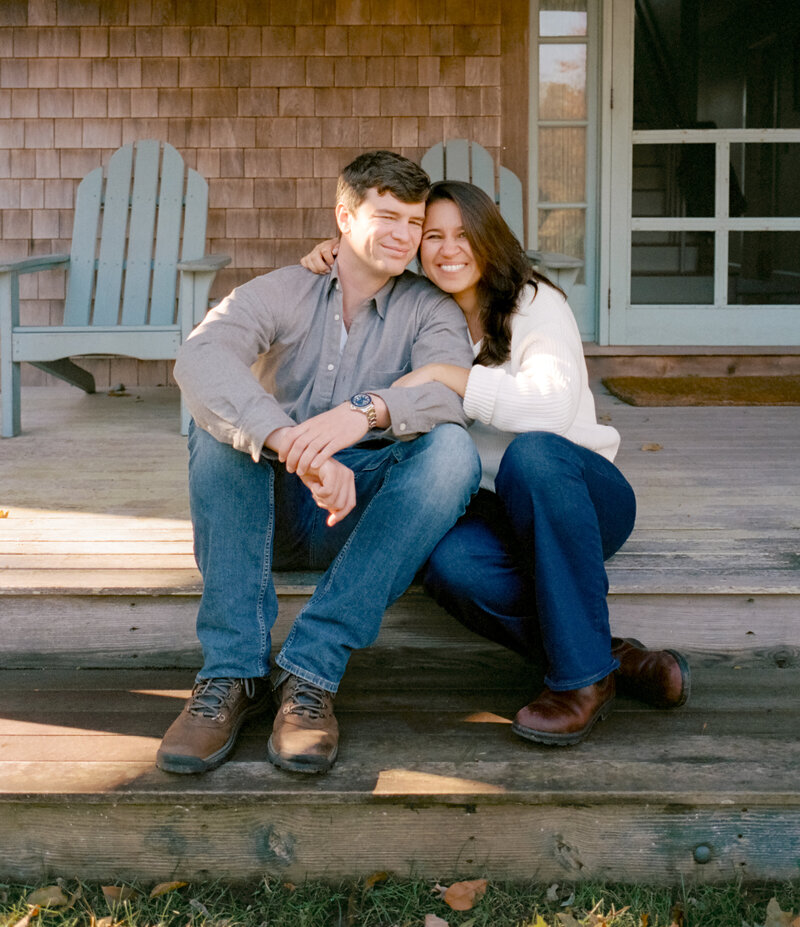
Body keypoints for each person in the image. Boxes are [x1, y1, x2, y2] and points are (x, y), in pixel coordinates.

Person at [302, 179, 690, 746]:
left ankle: (579, 684)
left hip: (574, 494)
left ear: (489, 237)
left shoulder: (534, 303)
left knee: (532, 454)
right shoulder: (422, 311)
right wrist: (336, 255)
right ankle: (613, 662)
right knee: (450, 565)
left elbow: (550, 411)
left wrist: (446, 375)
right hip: (490, 511)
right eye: (433, 236)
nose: (448, 250)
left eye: (463, 234)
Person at [156, 152, 480, 777]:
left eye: (414, 222)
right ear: (344, 217)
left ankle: (310, 671)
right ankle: (231, 674)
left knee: (452, 453)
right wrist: (286, 441)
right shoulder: (284, 289)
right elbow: (201, 355)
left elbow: (451, 394)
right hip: (264, 513)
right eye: (387, 217)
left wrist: (365, 413)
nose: (404, 235)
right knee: (217, 428)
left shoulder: (429, 309)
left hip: (363, 520)